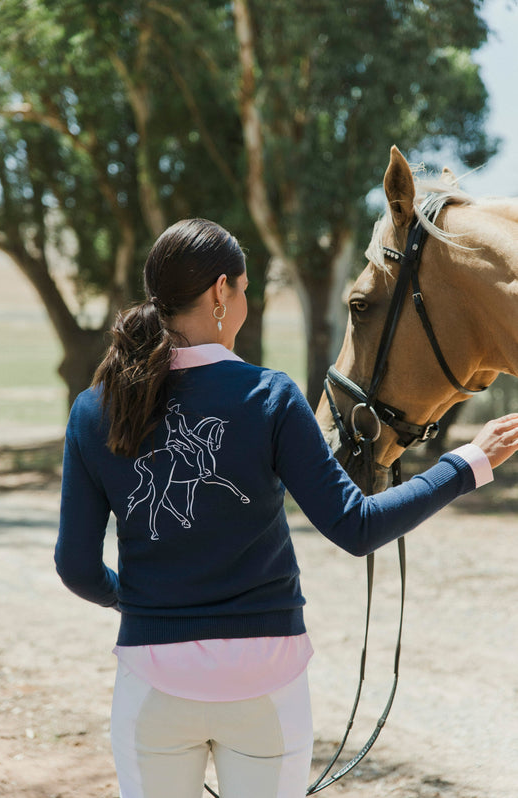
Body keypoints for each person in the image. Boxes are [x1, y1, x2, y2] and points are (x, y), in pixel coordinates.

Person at [55, 218, 518, 798]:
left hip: (152, 683)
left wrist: (145, 604)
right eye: (246, 289)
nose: (245, 300)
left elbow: (75, 567)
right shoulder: (269, 396)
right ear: (221, 292)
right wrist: (467, 463)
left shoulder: (94, 409)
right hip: (265, 682)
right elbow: (356, 526)